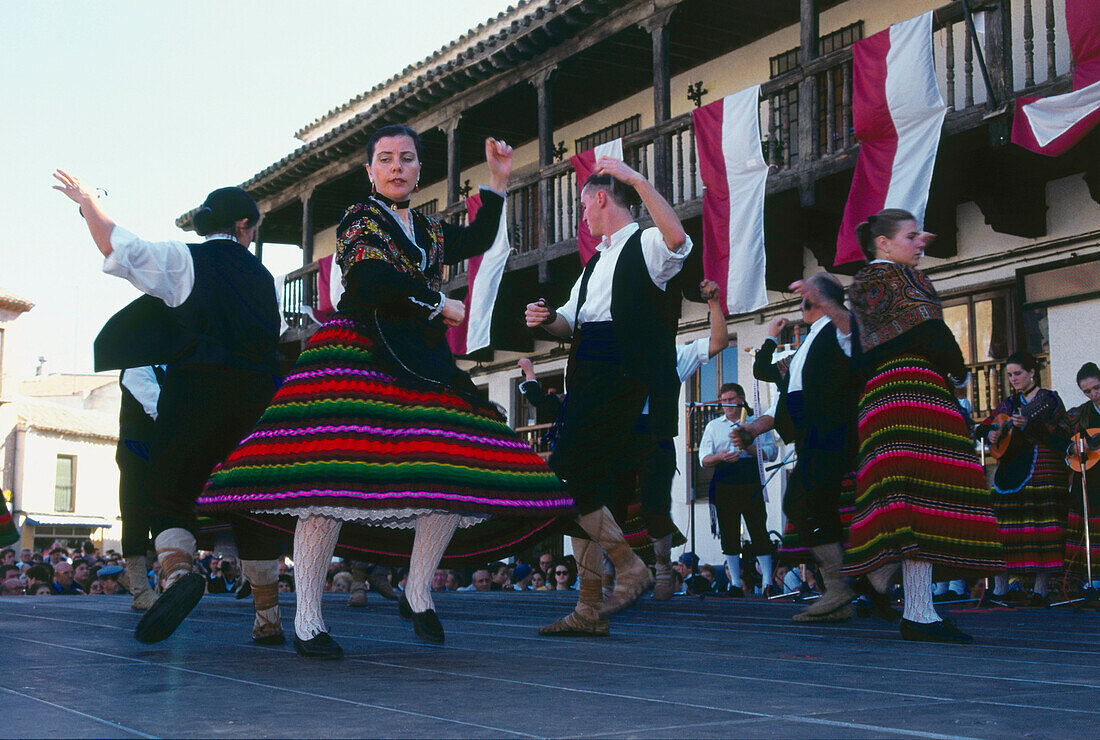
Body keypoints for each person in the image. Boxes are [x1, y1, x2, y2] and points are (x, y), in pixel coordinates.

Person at [194, 126, 570, 659]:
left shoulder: (425, 227)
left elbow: (476, 239)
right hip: (362, 350)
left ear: (419, 171)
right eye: (387, 159)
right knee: (327, 483)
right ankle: (307, 620)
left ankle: (418, 591)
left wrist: (500, 182)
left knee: (449, 470)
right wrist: (437, 303)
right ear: (370, 170)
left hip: (420, 356)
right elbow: (370, 279)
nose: (397, 167)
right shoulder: (359, 218)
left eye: (408, 159)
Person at [54, 170, 286, 647]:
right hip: (257, 401)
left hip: (196, 391)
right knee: (252, 500)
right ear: (244, 225)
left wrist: (89, 205)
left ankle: (179, 576)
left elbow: (120, 246)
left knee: (169, 488)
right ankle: (268, 617)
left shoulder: (186, 259)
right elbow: (275, 339)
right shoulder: (266, 280)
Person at [525, 158, 692, 636]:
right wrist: (545, 319)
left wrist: (637, 179)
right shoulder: (595, 261)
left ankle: (629, 565)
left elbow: (679, 240)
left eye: (583, 205)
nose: (582, 216)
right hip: (589, 369)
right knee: (581, 487)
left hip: (622, 371)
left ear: (601, 198)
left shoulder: (646, 243)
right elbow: (569, 322)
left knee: (568, 477)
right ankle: (589, 607)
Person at [843, 209, 1002, 643]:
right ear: (884, 243)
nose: (920, 243)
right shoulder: (904, 278)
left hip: (877, 397)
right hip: (914, 390)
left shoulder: (858, 286)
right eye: (911, 236)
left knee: (902, 498)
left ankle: (878, 582)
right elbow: (935, 334)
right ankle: (919, 613)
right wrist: (957, 372)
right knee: (928, 496)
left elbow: (857, 355)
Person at [735, 272, 884, 622]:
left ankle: (842, 587)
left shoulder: (840, 331)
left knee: (804, 502)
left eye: (809, 296)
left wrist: (828, 300)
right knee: (812, 507)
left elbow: (851, 333)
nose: (803, 302)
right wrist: (753, 429)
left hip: (831, 434)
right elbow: (786, 399)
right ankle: (843, 594)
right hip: (812, 438)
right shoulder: (809, 343)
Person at [979, 351, 1068, 606]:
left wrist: (1029, 424)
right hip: (1009, 471)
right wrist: (991, 433)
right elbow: (983, 426)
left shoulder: (1050, 400)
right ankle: (999, 589)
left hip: (1040, 467)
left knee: (1040, 527)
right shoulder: (1007, 403)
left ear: (1032, 372)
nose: (1013, 379)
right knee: (1002, 527)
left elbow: (1057, 433)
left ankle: (1040, 591)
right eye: (1010, 375)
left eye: (1018, 373)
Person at [699, 383, 778, 598]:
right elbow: (703, 459)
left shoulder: (756, 423)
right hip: (725, 478)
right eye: (723, 401)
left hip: (749, 477)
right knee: (729, 531)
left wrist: (748, 447)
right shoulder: (714, 426)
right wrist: (721, 457)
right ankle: (735, 583)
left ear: (741, 400)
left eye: (730, 400)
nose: (727, 405)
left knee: (758, 529)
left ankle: (766, 584)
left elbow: (772, 453)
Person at [116, 364, 164, 611]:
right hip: (137, 451)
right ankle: (139, 590)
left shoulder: (166, 367)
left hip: (158, 452)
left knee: (163, 517)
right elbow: (157, 407)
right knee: (135, 516)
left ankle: (136, 578)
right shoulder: (137, 367)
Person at [1059, 362, 1100, 590]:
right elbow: (1056, 435)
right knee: (1090, 531)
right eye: (1087, 391)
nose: (1094, 395)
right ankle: (1092, 581)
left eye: (1097, 388)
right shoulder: (1079, 414)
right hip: (1089, 479)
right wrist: (1071, 448)